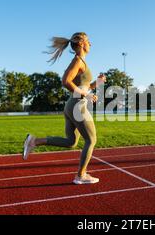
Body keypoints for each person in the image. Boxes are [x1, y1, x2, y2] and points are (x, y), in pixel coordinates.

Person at [23, 32, 106, 185]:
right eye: (89, 41)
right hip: (77, 106)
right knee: (91, 139)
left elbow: (83, 86)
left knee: (71, 142)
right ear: (81, 43)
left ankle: (34, 141)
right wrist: (86, 94)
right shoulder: (78, 61)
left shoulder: (81, 62)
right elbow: (65, 81)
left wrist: (97, 84)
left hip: (71, 105)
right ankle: (81, 175)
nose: (91, 44)